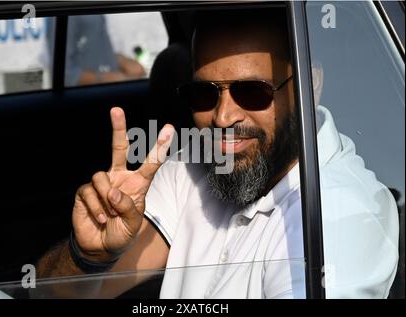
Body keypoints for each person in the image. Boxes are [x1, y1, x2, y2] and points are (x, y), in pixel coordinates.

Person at [36, 9, 398, 298]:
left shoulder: (338, 213)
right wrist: (87, 257)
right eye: (205, 94)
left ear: (310, 85)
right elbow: (64, 295)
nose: (223, 117)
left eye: (252, 92)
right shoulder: (190, 166)